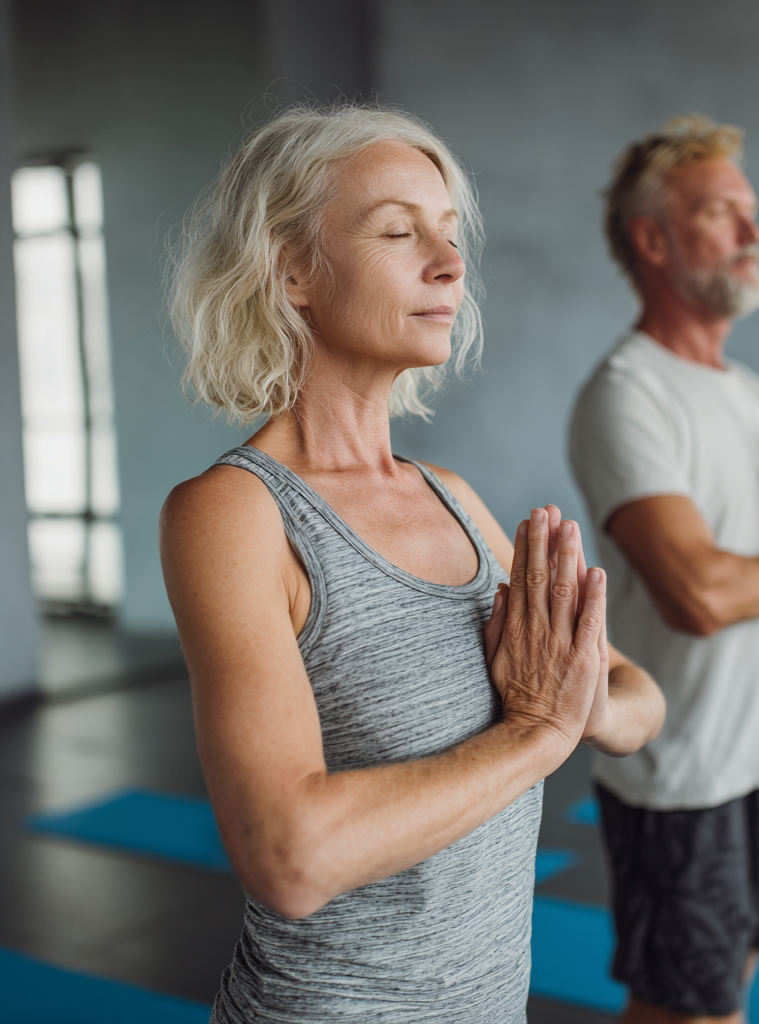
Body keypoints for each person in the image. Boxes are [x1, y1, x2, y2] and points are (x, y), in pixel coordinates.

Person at [160, 103, 665, 1024]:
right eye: (398, 230)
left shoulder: (453, 499)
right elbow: (290, 857)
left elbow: (639, 701)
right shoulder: (236, 514)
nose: (449, 260)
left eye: (450, 231)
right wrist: (536, 735)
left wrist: (573, 696)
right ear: (293, 270)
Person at [569, 115, 759, 1024]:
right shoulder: (628, 396)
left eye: (751, 213)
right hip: (684, 774)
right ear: (653, 239)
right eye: (723, 213)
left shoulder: (750, 393)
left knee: (729, 987)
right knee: (683, 1010)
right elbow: (699, 593)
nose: (754, 231)